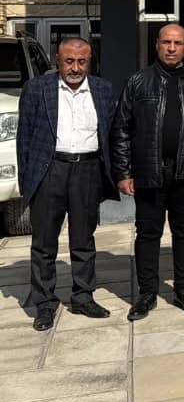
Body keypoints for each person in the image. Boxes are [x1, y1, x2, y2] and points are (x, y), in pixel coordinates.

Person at [111, 23, 184, 321]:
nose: (171, 48)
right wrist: (123, 172)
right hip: (149, 171)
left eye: (177, 43)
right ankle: (146, 293)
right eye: (166, 42)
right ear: (156, 45)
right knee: (147, 233)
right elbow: (121, 129)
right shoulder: (138, 81)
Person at [17, 37, 118, 331]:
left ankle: (83, 297)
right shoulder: (37, 89)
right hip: (50, 170)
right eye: (69, 61)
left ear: (90, 62)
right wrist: (27, 183)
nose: (75, 68)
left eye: (82, 61)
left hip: (87, 170)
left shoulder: (103, 89)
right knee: (44, 243)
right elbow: (24, 138)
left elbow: (111, 134)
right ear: (58, 61)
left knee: (84, 240)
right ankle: (44, 304)